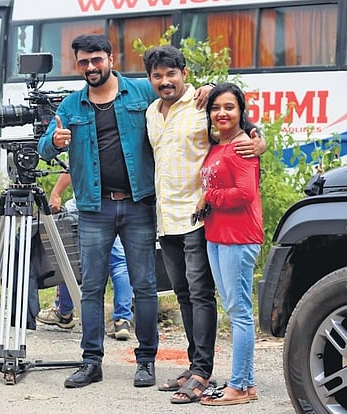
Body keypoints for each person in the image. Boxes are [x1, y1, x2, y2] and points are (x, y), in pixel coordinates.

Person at [142, 45, 264, 404]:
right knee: (183, 294)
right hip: (167, 218)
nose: (165, 81)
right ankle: (194, 364)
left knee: (200, 294)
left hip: (198, 219)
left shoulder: (201, 103)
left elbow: (240, 128)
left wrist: (259, 140)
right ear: (150, 79)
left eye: (171, 73)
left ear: (184, 74)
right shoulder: (151, 112)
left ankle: (201, 372)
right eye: (157, 76)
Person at [37, 34, 159, 389]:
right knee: (90, 287)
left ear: (110, 58)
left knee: (145, 285)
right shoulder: (70, 105)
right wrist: (54, 141)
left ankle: (146, 361)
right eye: (84, 62)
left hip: (138, 203)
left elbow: (182, 101)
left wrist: (206, 90)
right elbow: (44, 147)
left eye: (96, 60)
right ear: (78, 65)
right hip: (94, 207)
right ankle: (91, 361)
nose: (91, 67)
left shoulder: (141, 92)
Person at [197, 83, 263, 406]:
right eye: (215, 108)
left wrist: (209, 196)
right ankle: (246, 385)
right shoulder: (218, 144)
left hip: (239, 237)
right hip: (217, 236)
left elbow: (245, 193)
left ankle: (237, 386)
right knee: (235, 309)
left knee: (239, 313)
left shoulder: (241, 146)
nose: (221, 113)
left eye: (229, 107)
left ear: (240, 111)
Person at [37, 173, 134, 340]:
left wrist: (56, 192)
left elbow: (73, 166)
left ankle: (64, 311)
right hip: (120, 202)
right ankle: (122, 319)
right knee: (119, 262)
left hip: (88, 204)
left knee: (70, 256)